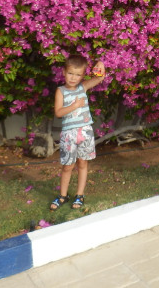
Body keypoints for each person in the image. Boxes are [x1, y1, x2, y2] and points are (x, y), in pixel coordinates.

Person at [49, 53, 106, 211]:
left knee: (83, 163)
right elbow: (58, 112)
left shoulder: (83, 87)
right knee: (67, 166)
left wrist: (100, 63)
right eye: (70, 73)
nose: (73, 78)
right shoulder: (60, 91)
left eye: (78, 75)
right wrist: (74, 106)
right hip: (69, 134)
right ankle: (63, 195)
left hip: (85, 131)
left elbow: (100, 77)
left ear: (82, 75)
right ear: (63, 72)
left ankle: (79, 195)